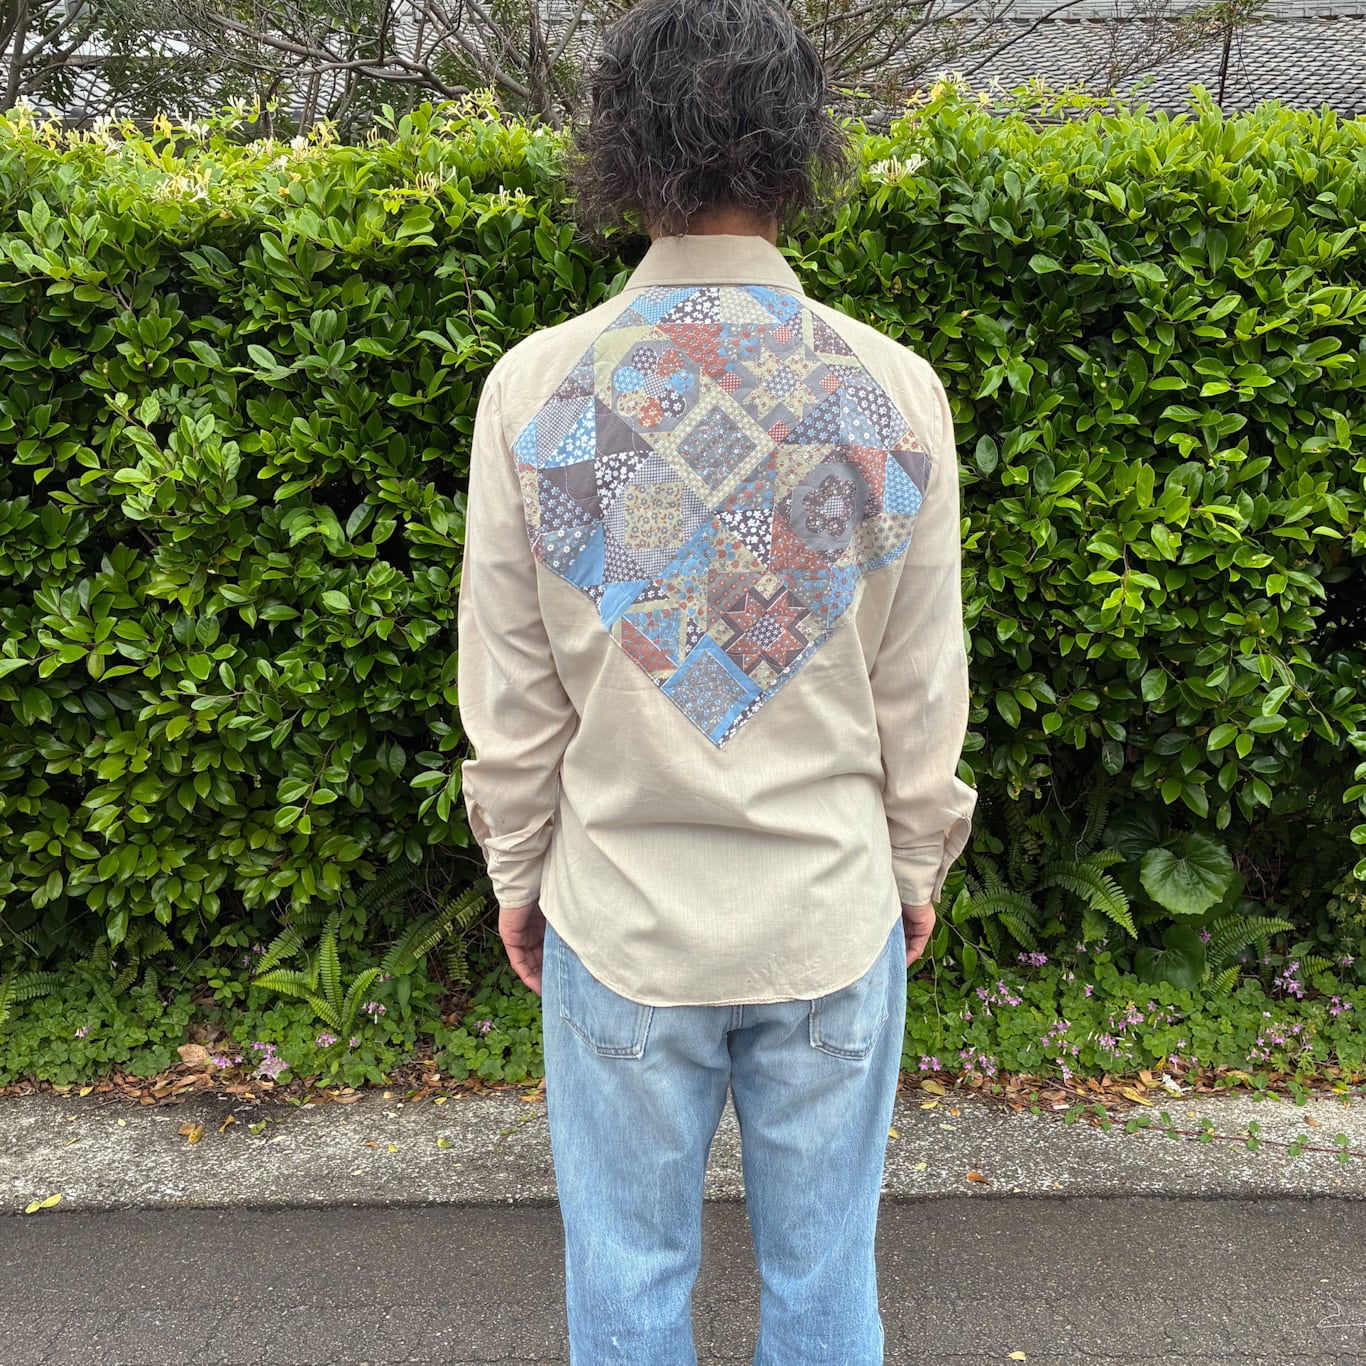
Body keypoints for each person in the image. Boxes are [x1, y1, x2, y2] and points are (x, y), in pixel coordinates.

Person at [456, 1, 978, 1360]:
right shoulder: (890, 392)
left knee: (626, 1285)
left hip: (621, 915)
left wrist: (517, 870)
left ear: (622, 148)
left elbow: (514, 693)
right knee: (825, 1283)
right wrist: (913, 863)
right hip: (826, 909)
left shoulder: (538, 391)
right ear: (800, 146)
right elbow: (921, 686)